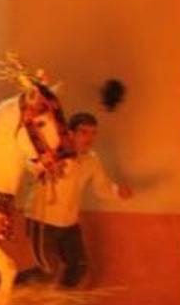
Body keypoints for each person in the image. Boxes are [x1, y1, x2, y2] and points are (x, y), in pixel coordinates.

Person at [23, 109, 133, 287]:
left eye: (93, 133)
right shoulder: (54, 151)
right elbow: (30, 163)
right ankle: (6, 287)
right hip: (42, 221)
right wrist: (45, 165)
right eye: (83, 132)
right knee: (47, 270)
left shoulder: (92, 159)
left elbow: (102, 187)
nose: (89, 137)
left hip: (69, 223)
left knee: (79, 266)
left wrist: (117, 191)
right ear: (70, 133)